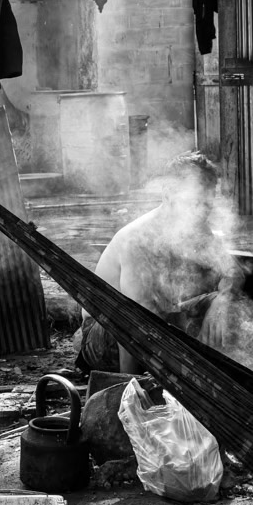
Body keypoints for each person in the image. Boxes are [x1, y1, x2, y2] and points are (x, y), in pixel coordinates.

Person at [75, 151, 239, 376]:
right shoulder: (138, 240)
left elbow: (229, 271)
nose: (202, 212)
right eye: (195, 202)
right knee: (150, 320)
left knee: (227, 309)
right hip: (105, 337)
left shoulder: (197, 225)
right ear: (169, 194)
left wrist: (223, 299)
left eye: (207, 204)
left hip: (157, 325)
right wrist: (131, 387)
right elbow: (131, 322)